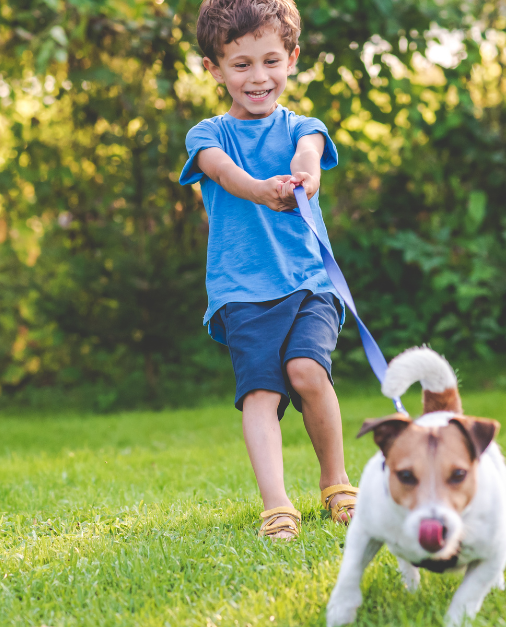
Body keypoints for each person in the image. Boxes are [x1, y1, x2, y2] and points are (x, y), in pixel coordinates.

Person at [178, 0, 356, 540]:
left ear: (292, 59)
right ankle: (277, 504)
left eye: (271, 61)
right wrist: (264, 191)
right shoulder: (207, 136)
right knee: (261, 393)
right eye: (241, 65)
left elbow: (309, 161)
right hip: (242, 294)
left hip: (307, 284)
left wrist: (299, 181)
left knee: (306, 372)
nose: (259, 77)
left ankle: (336, 483)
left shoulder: (306, 126)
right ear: (213, 69)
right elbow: (226, 175)